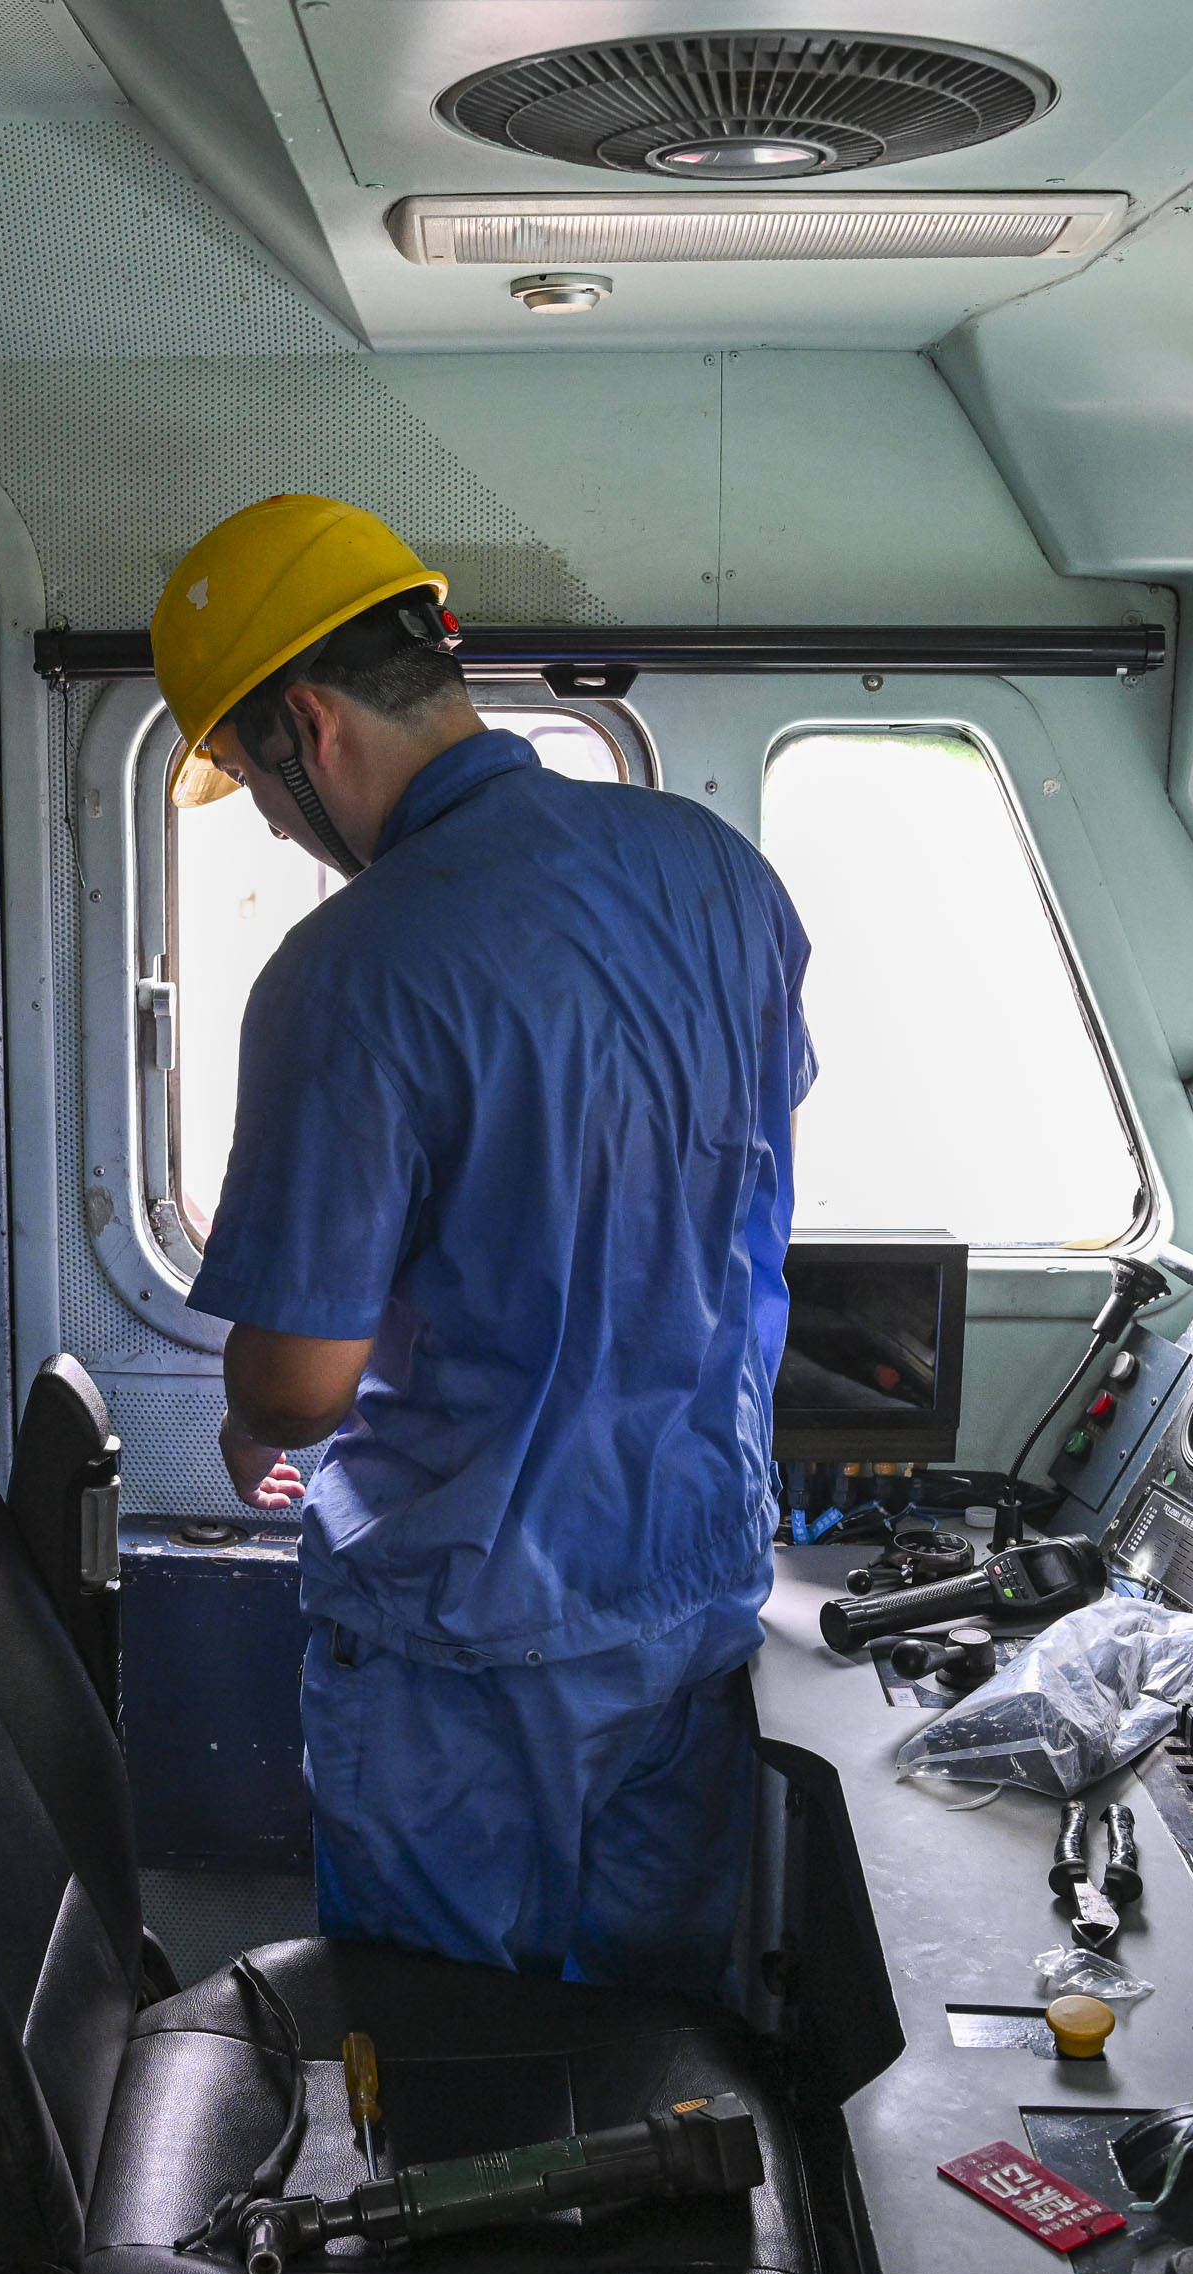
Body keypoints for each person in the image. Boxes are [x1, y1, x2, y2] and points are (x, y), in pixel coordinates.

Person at [153, 498, 814, 2000]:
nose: (265, 819)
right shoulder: (723, 878)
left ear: (306, 728)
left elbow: (302, 1387)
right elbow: (717, 1196)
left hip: (469, 1652)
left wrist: (256, 1425)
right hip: (694, 1601)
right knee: (657, 2060)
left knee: (450, 2070)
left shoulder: (352, 972)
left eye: (250, 779)